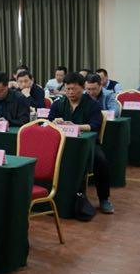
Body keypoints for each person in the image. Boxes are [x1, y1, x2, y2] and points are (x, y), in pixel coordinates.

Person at [48, 72, 115, 214]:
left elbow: (95, 125)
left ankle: (104, 199)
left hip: (88, 145)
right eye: (67, 89)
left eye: (74, 89)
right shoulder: (59, 103)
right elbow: (49, 121)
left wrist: (75, 127)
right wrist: (54, 122)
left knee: (101, 161)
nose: (70, 92)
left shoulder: (92, 104)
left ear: (82, 87)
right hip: (62, 143)